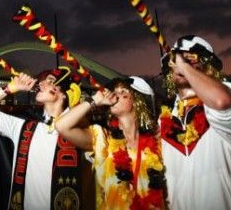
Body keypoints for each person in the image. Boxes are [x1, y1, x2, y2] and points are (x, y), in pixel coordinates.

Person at [0, 66, 86, 209]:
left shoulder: (82, 132)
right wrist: (10, 88)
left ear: (64, 94)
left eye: (50, 81)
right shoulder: (23, 124)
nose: (41, 83)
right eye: (41, 81)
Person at [159, 35, 231, 209]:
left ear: (208, 68)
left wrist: (184, 66)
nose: (180, 64)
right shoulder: (162, 122)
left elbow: (220, 101)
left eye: (191, 58)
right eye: (174, 61)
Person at [55, 76, 165, 209]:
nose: (115, 94)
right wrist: (94, 100)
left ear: (138, 101)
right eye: (115, 91)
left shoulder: (157, 143)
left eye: (123, 92)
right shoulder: (104, 139)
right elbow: (62, 126)